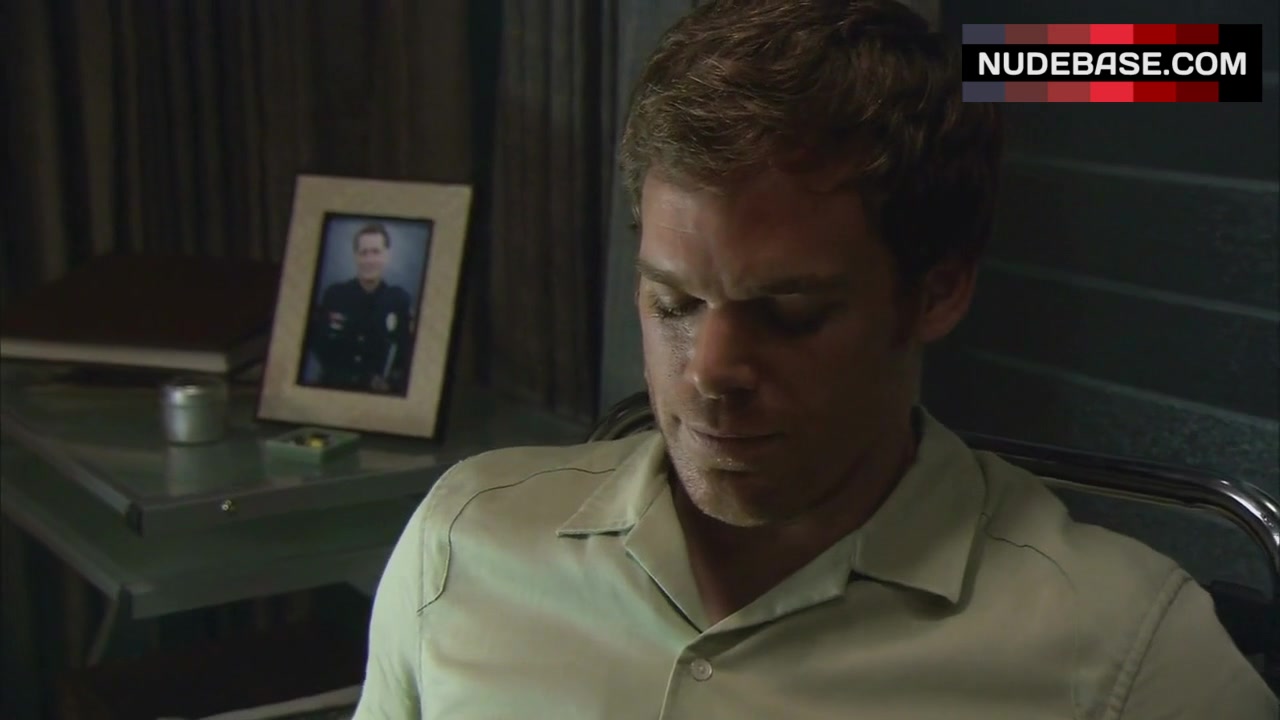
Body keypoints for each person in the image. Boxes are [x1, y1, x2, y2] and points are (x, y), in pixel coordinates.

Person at [354, 1, 1277, 717]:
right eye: (674, 303)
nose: (710, 370)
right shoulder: (464, 545)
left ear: (937, 292)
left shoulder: (1130, 657)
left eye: (790, 314)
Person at [307, 222, 414, 395]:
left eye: (376, 252)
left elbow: (406, 352)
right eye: (363, 253)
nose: (369, 260)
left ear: (386, 256)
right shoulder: (335, 295)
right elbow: (320, 346)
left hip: (380, 394)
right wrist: (362, 378)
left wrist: (392, 383)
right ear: (355, 256)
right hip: (335, 388)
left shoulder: (399, 300)